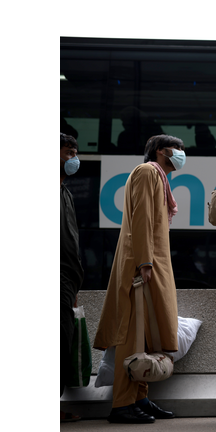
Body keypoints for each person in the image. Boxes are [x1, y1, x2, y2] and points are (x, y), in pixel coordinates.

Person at [94, 135, 186, 424]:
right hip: (142, 267)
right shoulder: (148, 171)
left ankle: (140, 398)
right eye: (178, 149)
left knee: (144, 337)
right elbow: (142, 218)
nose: (182, 154)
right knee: (131, 336)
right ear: (160, 151)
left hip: (150, 265)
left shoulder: (158, 176)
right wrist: (145, 262)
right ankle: (122, 404)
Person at [60, 133, 84, 423]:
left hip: (66, 279)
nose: (74, 159)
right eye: (68, 152)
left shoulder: (64, 191)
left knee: (62, 340)